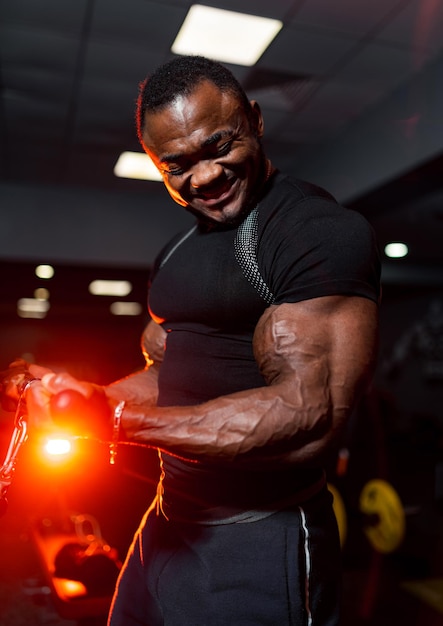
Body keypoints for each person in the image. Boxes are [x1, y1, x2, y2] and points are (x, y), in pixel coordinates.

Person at [3, 55, 380, 625]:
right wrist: (86, 400)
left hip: (259, 533)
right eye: (176, 166)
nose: (203, 177)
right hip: (168, 519)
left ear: (254, 120)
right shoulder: (177, 254)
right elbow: (168, 374)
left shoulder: (312, 232)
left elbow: (310, 418)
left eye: (218, 146)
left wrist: (119, 422)